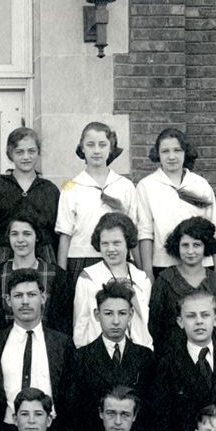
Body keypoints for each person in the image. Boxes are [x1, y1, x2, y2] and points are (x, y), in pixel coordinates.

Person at [56, 122, 139, 335]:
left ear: (111, 148)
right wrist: (62, 276)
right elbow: (65, 236)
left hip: (118, 261)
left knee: (117, 320)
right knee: (85, 320)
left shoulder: (125, 186)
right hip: (81, 261)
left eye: (102, 144)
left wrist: (138, 268)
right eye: (90, 144)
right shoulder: (71, 187)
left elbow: (133, 234)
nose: (96, 150)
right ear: (82, 148)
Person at [0, 269, 73, 431]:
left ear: (43, 297)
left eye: (31, 294)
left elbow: (70, 398)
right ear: (8, 300)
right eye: (18, 296)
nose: (25, 301)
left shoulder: (62, 344)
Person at [68, 281, 155, 431]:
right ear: (97, 315)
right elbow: (75, 411)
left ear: (131, 314)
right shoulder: (81, 357)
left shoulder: (145, 356)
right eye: (108, 313)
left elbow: (150, 409)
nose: (116, 321)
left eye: (122, 313)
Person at [154, 291, 216, 431]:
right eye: (191, 316)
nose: (199, 321)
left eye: (205, 315)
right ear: (180, 322)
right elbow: (162, 416)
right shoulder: (168, 364)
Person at [136, 128, 216, 278]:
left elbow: (215, 229)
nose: (171, 156)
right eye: (165, 151)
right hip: (164, 266)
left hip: (202, 265)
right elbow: (145, 232)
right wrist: (148, 272)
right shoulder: (146, 186)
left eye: (177, 150)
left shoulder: (200, 184)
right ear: (158, 154)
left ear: (185, 152)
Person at [0, 127, 59, 271]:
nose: (26, 157)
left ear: (38, 152)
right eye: (19, 152)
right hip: (3, 256)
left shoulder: (49, 189)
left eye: (31, 151)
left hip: (43, 257)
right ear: (10, 154)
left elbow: (56, 234)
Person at [147, 216, 216, 349]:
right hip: (172, 351)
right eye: (185, 245)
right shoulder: (165, 280)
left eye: (196, 245)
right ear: (177, 246)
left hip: (209, 352)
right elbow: (154, 325)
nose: (190, 251)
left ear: (205, 246)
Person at [0, 207, 63, 333]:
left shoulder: (57, 275)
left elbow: (62, 325)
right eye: (14, 234)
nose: (20, 240)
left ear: (37, 237)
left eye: (27, 234)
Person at [72, 212, 152, 349]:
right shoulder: (88, 277)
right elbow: (80, 324)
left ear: (128, 243)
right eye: (105, 243)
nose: (110, 249)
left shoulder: (141, 279)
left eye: (116, 243)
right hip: (97, 354)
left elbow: (144, 323)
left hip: (136, 353)